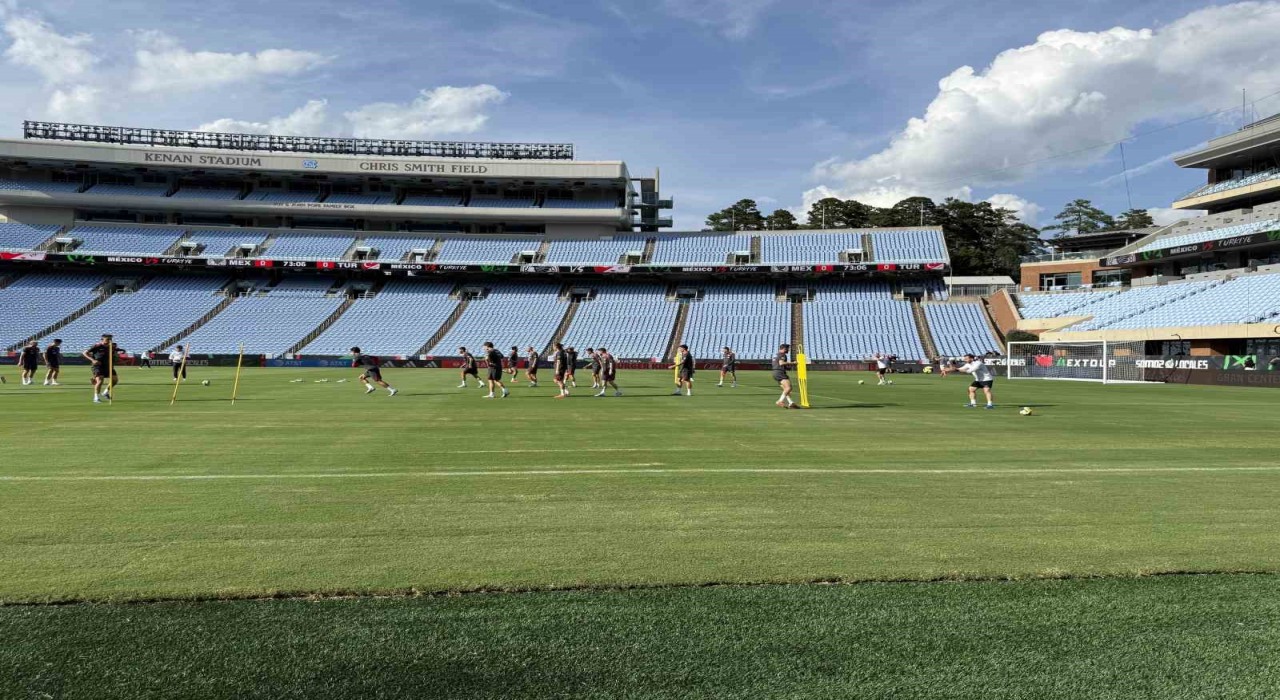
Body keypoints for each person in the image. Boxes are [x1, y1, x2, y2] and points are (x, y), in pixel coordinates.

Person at [83, 334, 121, 403]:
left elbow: (116, 351)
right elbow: (85, 353)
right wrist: (93, 360)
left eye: (110, 339)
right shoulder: (97, 346)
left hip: (108, 366)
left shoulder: (111, 346)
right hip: (98, 366)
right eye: (108, 339)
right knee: (100, 381)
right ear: (102, 339)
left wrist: (120, 351)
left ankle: (105, 392)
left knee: (115, 380)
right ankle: (96, 398)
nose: (109, 340)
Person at [772, 343, 797, 408]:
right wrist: (792, 363)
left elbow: (779, 364)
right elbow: (781, 363)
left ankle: (791, 403)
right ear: (784, 349)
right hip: (780, 372)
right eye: (788, 349)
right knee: (789, 388)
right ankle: (779, 401)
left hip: (775, 373)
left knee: (785, 390)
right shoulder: (782, 354)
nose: (788, 350)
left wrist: (788, 367)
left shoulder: (776, 354)